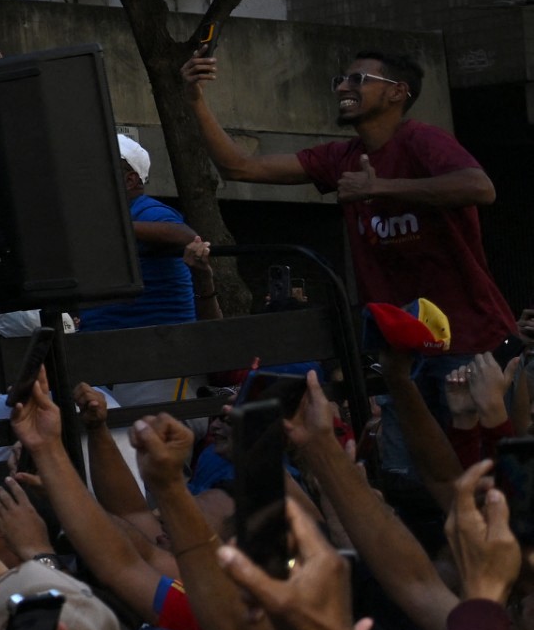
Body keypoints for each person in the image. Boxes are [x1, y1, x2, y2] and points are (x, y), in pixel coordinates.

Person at [182, 46, 514, 460]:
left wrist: (379, 189)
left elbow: (481, 187)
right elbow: (239, 168)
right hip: (400, 353)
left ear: (397, 92)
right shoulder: (340, 158)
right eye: (340, 79)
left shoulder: (423, 140)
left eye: (358, 79)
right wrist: (193, 99)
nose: (343, 86)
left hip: (465, 342)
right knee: (408, 475)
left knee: (481, 466)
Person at [76, 134, 203, 405]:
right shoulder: (93, 221)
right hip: (108, 361)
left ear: (130, 180)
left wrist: (113, 227)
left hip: (157, 361)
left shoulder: (147, 211)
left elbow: (186, 237)